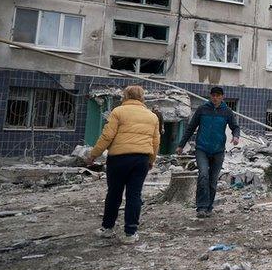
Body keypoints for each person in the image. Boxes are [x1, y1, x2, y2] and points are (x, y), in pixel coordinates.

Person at [86, 85, 160, 244]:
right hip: (141, 160)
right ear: (142, 97)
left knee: (114, 193)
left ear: (125, 96)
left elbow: (107, 136)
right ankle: (130, 233)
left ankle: (107, 228)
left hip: (118, 159)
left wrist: (94, 155)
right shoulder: (152, 116)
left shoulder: (118, 112)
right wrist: (151, 160)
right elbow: (156, 142)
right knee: (134, 195)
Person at [176, 86, 240, 218]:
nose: (215, 98)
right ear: (210, 96)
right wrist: (181, 145)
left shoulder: (227, 111)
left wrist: (236, 136)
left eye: (218, 96)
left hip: (218, 150)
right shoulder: (202, 109)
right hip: (202, 149)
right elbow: (191, 127)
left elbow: (235, 127)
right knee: (203, 175)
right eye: (213, 95)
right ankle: (201, 207)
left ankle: (209, 207)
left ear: (222, 97)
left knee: (212, 180)